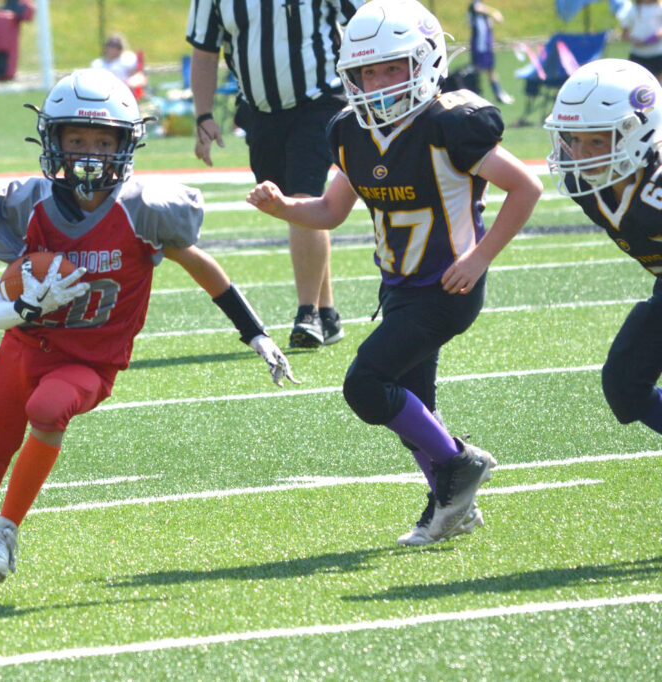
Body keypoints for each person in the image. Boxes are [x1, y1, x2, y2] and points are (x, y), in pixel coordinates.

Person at [0, 69, 296, 594]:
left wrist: (254, 332)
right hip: (23, 349)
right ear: (52, 140)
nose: (89, 152)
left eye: (103, 141)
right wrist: (27, 303)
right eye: (76, 139)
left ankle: (5, 530)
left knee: (49, 408)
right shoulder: (26, 204)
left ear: (126, 145)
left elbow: (199, 264)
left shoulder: (143, 209)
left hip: (89, 361)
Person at [246, 0, 542, 546]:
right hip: (399, 288)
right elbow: (332, 212)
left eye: (391, 68)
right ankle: (450, 508)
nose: (377, 83)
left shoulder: (451, 124)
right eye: (366, 72)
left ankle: (460, 464)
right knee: (413, 410)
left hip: (447, 289)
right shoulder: (349, 131)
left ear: (424, 61)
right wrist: (285, 207)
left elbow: (526, 187)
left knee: (365, 386)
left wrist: (480, 257)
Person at [187, 0, 366, 350]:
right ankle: (327, 311)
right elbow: (205, 51)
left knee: (301, 197)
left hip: (320, 100)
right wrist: (203, 115)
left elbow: (365, 21)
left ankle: (307, 314)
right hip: (259, 110)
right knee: (289, 207)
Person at [544, 59, 662, 443]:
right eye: (574, 139)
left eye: (597, 141)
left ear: (637, 132)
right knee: (625, 384)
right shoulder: (588, 184)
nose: (580, 154)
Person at [468, 1, 513, 105]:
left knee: (491, 70)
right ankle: (475, 95)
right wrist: (494, 12)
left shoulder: (483, 11)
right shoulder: (474, 6)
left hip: (486, 46)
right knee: (476, 71)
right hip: (478, 46)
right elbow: (478, 8)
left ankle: (498, 94)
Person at [617, 0, 662, 84]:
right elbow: (624, 33)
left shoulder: (659, 7)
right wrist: (635, 40)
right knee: (636, 81)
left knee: (657, 82)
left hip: (657, 53)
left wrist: (653, 38)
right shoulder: (633, 9)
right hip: (637, 54)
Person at [90, 33, 147, 99]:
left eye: (117, 47)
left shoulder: (126, 60)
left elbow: (140, 77)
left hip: (122, 96)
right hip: (101, 95)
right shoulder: (97, 64)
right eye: (111, 46)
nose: (114, 49)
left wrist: (128, 83)